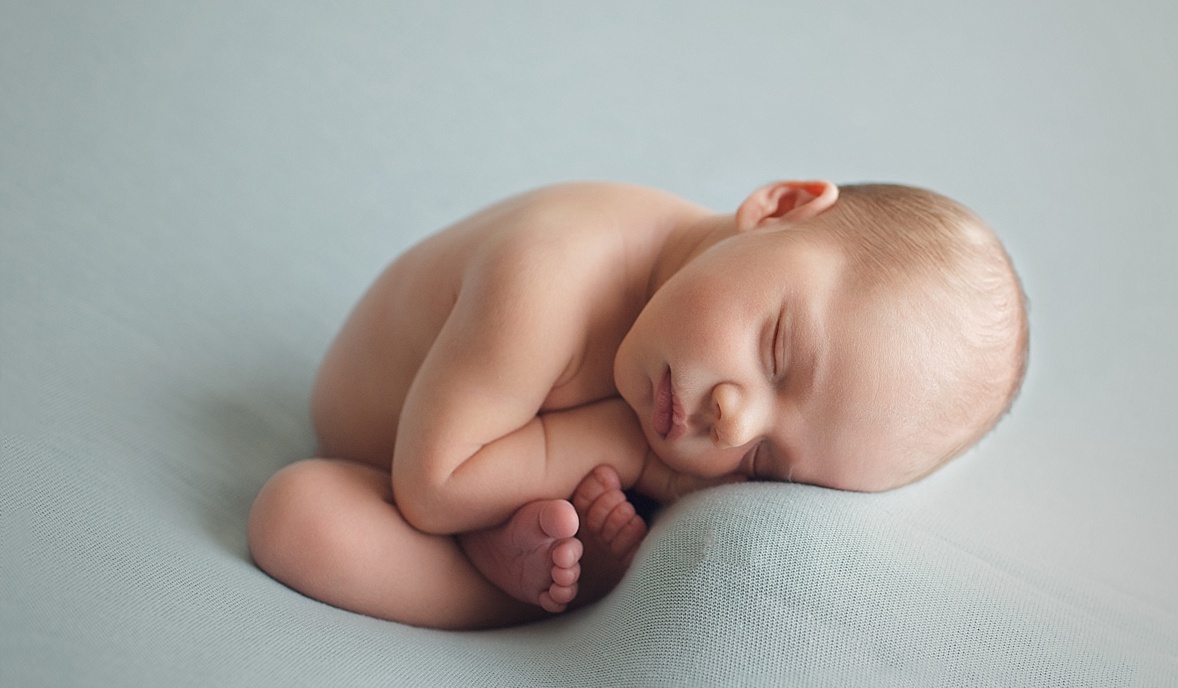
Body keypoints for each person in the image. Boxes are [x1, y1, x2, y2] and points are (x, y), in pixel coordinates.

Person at [247, 180, 1028, 630]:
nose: (733, 420)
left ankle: (524, 543)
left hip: (499, 468)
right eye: (777, 351)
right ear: (781, 205)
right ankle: (510, 595)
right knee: (297, 515)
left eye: (764, 462)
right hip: (389, 461)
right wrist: (626, 448)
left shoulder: (684, 343)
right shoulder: (549, 278)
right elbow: (432, 488)